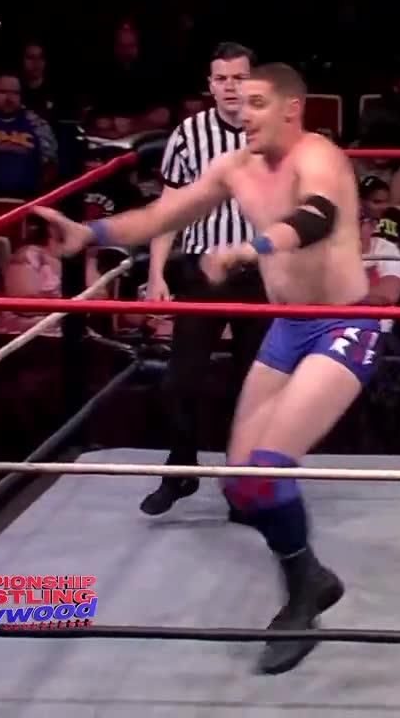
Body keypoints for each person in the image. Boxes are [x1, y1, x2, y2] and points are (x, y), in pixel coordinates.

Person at [34, 63, 374, 676]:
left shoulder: (318, 156)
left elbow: (318, 215)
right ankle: (310, 575)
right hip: (288, 326)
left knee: (267, 469)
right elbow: (162, 216)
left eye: (258, 102)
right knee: (240, 484)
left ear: (292, 108)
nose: (244, 112)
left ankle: (300, 602)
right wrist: (91, 232)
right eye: (240, 102)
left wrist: (252, 246)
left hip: (343, 324)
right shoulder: (234, 167)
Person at [141, 42, 268, 517]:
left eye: (239, 77)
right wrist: (156, 272)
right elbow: (170, 208)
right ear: (210, 84)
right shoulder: (189, 134)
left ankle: (245, 484)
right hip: (202, 269)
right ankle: (181, 469)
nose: (230, 87)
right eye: (221, 78)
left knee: (253, 386)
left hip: (261, 273)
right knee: (179, 379)